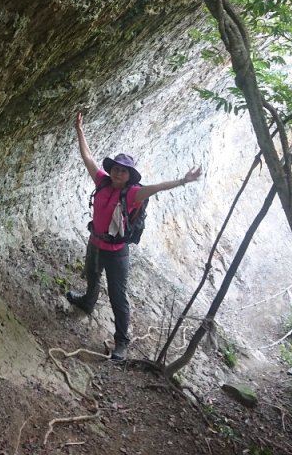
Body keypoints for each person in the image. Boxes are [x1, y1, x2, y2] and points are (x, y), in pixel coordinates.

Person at [65, 111, 202, 361]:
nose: (118, 174)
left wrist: (184, 180)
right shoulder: (102, 182)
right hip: (95, 243)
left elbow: (157, 187)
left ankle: (121, 342)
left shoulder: (133, 194)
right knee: (92, 278)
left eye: (123, 171)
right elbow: (88, 157)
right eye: (116, 169)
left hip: (117, 253)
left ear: (129, 175)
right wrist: (79, 131)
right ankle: (87, 302)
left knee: (118, 296)